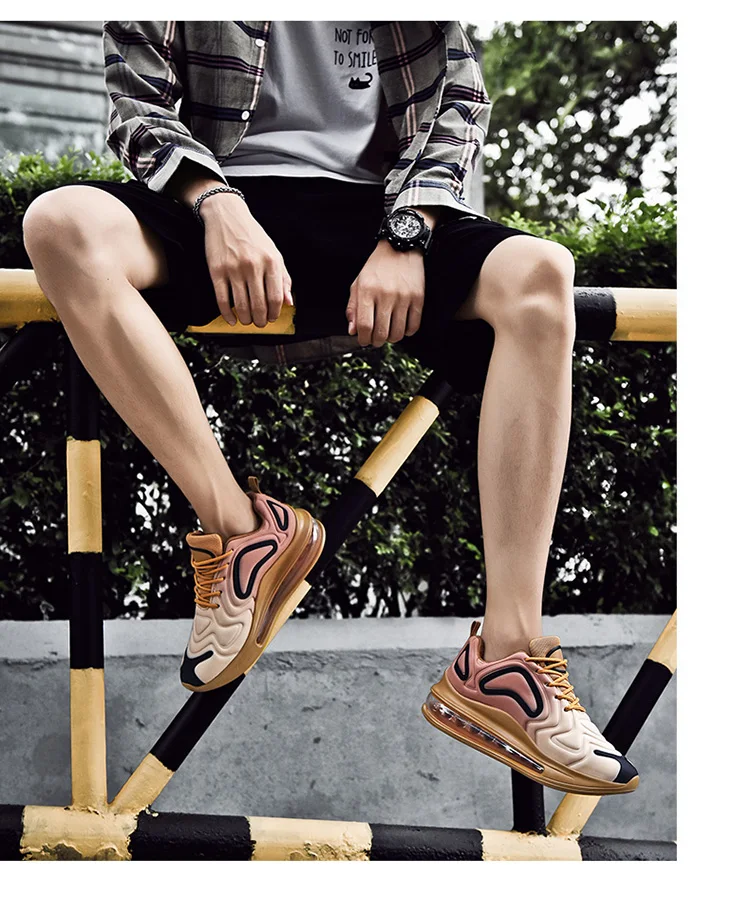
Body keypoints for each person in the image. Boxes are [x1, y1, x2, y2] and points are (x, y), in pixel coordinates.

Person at [21, 20, 638, 796]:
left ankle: (506, 661)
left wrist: (408, 231)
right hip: (218, 203)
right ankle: (244, 535)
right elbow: (136, 100)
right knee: (60, 225)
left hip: (377, 213)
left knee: (542, 275)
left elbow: (456, 97)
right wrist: (216, 202)